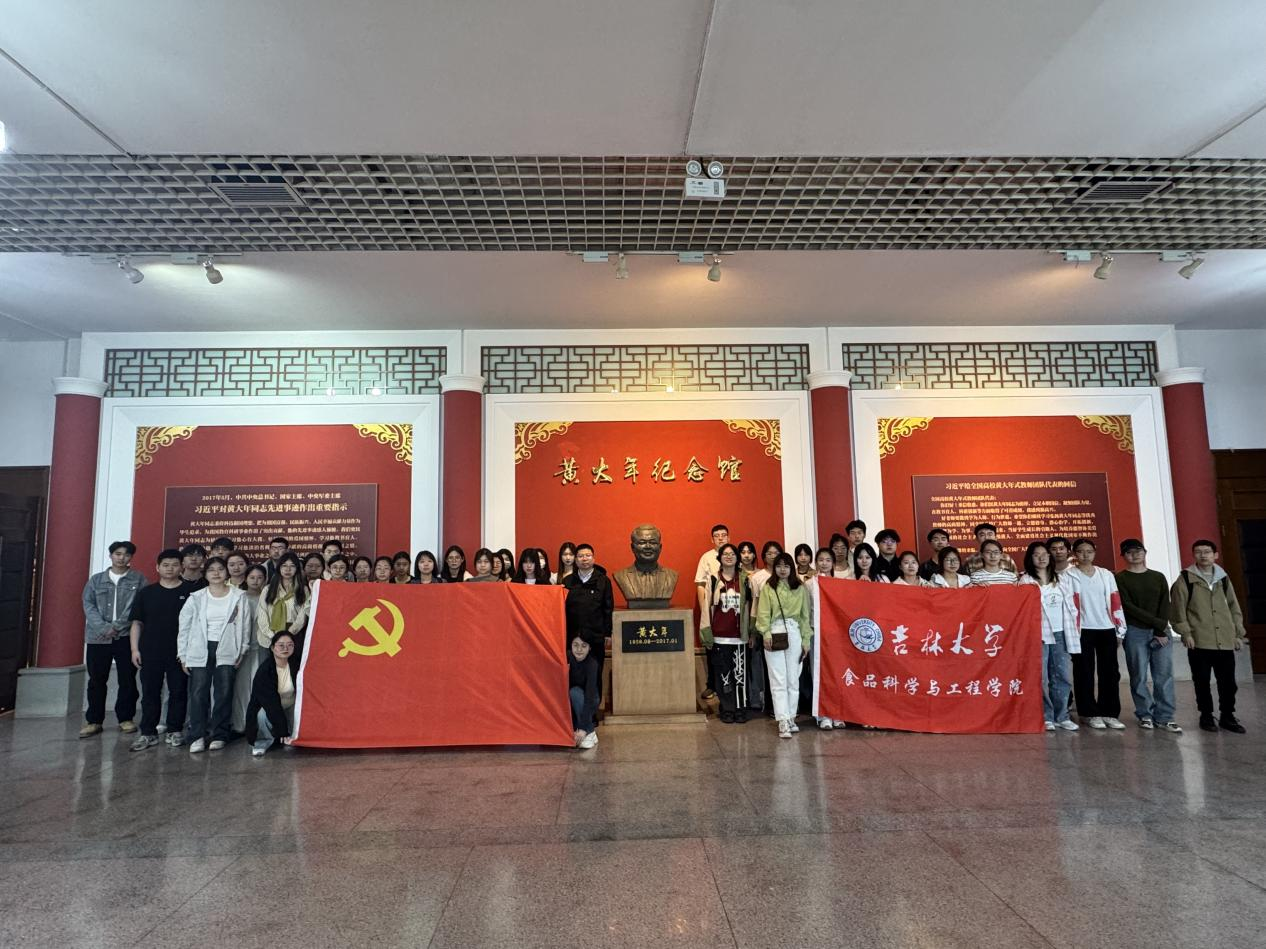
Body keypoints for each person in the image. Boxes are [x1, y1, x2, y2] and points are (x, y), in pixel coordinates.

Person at [1170, 539, 1249, 734]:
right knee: (1202, 681)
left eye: (1207, 551)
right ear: (1193, 555)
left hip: (1225, 639)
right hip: (1199, 639)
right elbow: (1178, 609)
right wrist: (1185, 632)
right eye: (1198, 552)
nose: (1203, 555)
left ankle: (1227, 716)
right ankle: (1206, 715)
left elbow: (1233, 606)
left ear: (1215, 555)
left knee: (1228, 683)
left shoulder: (1223, 578)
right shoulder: (1185, 579)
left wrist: (1238, 633)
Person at [178, 556, 252, 753]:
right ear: (205, 574)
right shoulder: (196, 597)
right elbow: (184, 627)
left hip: (228, 648)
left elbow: (245, 625)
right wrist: (183, 655)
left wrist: (243, 649)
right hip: (200, 648)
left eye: (220, 569)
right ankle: (197, 735)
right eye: (212, 570)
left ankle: (219, 734)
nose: (216, 573)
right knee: (198, 693)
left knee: (224, 692)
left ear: (226, 572)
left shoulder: (239, 596)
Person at [79, 540, 145, 738]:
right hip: (98, 637)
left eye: (126, 554)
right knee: (96, 680)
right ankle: (94, 721)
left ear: (131, 557)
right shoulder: (96, 580)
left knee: (127, 679)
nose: (121, 558)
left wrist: (116, 627)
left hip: (126, 637)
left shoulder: (139, 579)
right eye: (118, 554)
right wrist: (103, 627)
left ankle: (125, 718)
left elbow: (138, 607)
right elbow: (88, 605)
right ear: (110, 555)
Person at [126, 548, 191, 750]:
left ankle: (174, 730)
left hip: (180, 652)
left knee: (178, 692)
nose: (170, 569)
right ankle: (148, 733)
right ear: (157, 568)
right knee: (150, 693)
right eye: (165, 565)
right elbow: (137, 623)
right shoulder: (147, 593)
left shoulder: (191, 593)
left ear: (182, 567)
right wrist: (134, 650)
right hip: (150, 651)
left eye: (174, 565)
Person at [1116, 539, 1181, 732]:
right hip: (1135, 630)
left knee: (1164, 675)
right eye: (1129, 552)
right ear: (1123, 556)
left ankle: (1165, 717)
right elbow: (1127, 606)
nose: (1135, 555)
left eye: (1138, 551)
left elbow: (1165, 603)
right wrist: (1156, 623)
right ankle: (1144, 714)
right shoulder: (1121, 578)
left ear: (1145, 552)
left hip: (1161, 632)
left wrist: (1160, 629)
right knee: (1138, 675)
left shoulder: (1158, 576)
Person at [1020, 541, 1081, 731]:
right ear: (1030, 558)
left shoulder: (1062, 579)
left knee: (1062, 676)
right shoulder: (1025, 581)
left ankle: (1062, 716)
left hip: (1061, 632)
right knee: (1041, 678)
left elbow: (1072, 607)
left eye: (1044, 554)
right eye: (1036, 555)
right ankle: (1045, 716)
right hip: (1037, 634)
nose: (1041, 558)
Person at [1068, 538, 1128, 730]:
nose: (1085, 555)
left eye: (1089, 551)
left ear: (1094, 552)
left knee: (1109, 672)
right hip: (1082, 630)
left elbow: (1115, 600)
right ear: (1074, 554)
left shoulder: (1105, 574)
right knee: (1084, 671)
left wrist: (1120, 629)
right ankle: (1088, 713)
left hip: (1106, 628)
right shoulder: (1068, 575)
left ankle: (1109, 712)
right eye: (1081, 551)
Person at [755, 552, 811, 739]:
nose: (782, 569)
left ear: (791, 568)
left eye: (786, 566)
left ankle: (792, 717)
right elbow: (763, 613)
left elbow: (805, 617)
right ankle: (782, 720)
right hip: (775, 631)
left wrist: (806, 640)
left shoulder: (800, 588)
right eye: (779, 565)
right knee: (778, 678)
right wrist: (765, 633)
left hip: (795, 632)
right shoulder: (768, 587)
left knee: (793, 678)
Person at [698, 543, 753, 724]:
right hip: (720, 636)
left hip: (739, 637)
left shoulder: (745, 580)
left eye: (732, 554)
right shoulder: (714, 579)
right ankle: (727, 708)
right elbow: (706, 607)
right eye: (725, 554)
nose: (729, 557)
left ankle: (740, 708)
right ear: (720, 558)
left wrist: (752, 632)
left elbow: (751, 607)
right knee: (723, 675)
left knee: (740, 675)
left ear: (737, 558)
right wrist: (706, 633)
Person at [563, 543, 614, 702]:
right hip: (572, 637)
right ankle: (575, 711)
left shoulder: (603, 581)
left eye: (588, 555)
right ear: (575, 560)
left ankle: (593, 710)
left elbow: (608, 608)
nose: (584, 559)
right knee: (574, 674)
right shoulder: (568, 581)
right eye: (580, 556)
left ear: (593, 558)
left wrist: (607, 633)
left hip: (595, 636)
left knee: (595, 673)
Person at [806, 548, 845, 729]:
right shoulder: (809, 584)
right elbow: (806, 611)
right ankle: (822, 715)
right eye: (821, 560)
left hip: (836, 635)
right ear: (816, 562)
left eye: (828, 560)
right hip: (816, 633)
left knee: (836, 673)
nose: (824, 563)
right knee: (819, 673)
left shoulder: (840, 584)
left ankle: (837, 713)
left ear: (833, 563)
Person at [245, 630, 300, 757]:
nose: (285, 648)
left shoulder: (297, 665)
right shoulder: (265, 671)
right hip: (270, 706)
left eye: (290, 645)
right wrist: (282, 729)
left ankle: (290, 737)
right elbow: (271, 704)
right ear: (272, 648)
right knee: (261, 715)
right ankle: (261, 743)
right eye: (281, 645)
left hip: (291, 706)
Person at [231, 564, 268, 735]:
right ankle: (240, 724)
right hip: (242, 649)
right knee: (241, 688)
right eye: (252, 577)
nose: (256, 581)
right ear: (245, 578)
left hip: (262, 647)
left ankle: (259, 725)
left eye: (260, 578)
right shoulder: (238, 597)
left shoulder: (268, 598)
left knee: (260, 686)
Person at [256, 552, 310, 656]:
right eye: (284, 565)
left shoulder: (303, 589)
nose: (288, 569)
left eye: (292, 566)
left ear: (297, 569)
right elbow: (262, 613)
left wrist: (288, 634)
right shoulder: (268, 589)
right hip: (269, 636)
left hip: (294, 635)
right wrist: (272, 636)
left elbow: (302, 616)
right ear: (279, 568)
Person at [568, 636, 600, 749]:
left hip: (591, 700)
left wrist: (582, 729)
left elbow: (589, 696)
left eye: (584, 646)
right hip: (573, 703)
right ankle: (591, 732)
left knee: (574, 692)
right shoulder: (567, 658)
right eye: (575, 645)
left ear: (589, 648)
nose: (579, 649)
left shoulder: (592, 664)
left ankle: (587, 732)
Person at [693, 524, 729, 588]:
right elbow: (700, 583)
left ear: (728, 538)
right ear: (712, 540)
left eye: (723, 535)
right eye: (716, 536)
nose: (720, 538)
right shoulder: (706, 557)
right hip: (712, 593)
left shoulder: (736, 555)